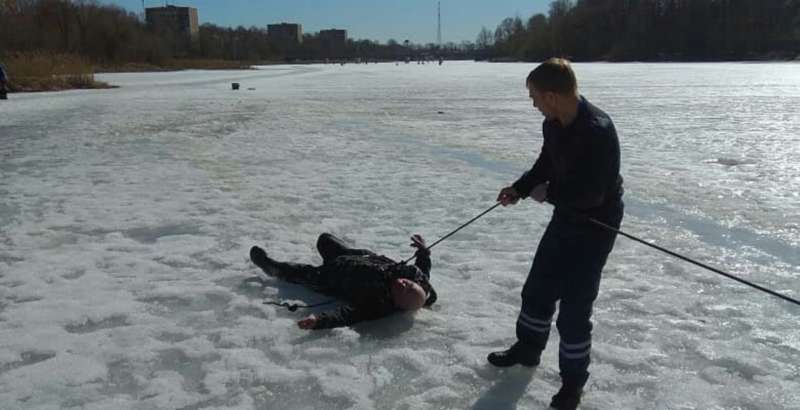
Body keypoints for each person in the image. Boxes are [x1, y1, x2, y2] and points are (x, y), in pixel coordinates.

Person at [489, 58, 624, 410]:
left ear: (551, 96)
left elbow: (591, 195)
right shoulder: (553, 124)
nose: (533, 103)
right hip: (566, 216)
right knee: (538, 288)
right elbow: (546, 163)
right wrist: (520, 188)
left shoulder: (597, 130)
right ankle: (528, 349)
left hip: (597, 224)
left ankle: (572, 385)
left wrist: (547, 194)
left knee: (574, 310)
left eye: (534, 96)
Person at [250, 233, 437, 330]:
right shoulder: (418, 279)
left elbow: (347, 315)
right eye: (409, 285)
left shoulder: (376, 304)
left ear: (396, 302)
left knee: (299, 273)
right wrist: (423, 251)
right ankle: (337, 253)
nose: (404, 284)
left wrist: (319, 320)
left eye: (403, 290)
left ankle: (270, 266)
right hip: (357, 258)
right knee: (324, 240)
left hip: (332, 277)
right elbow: (423, 266)